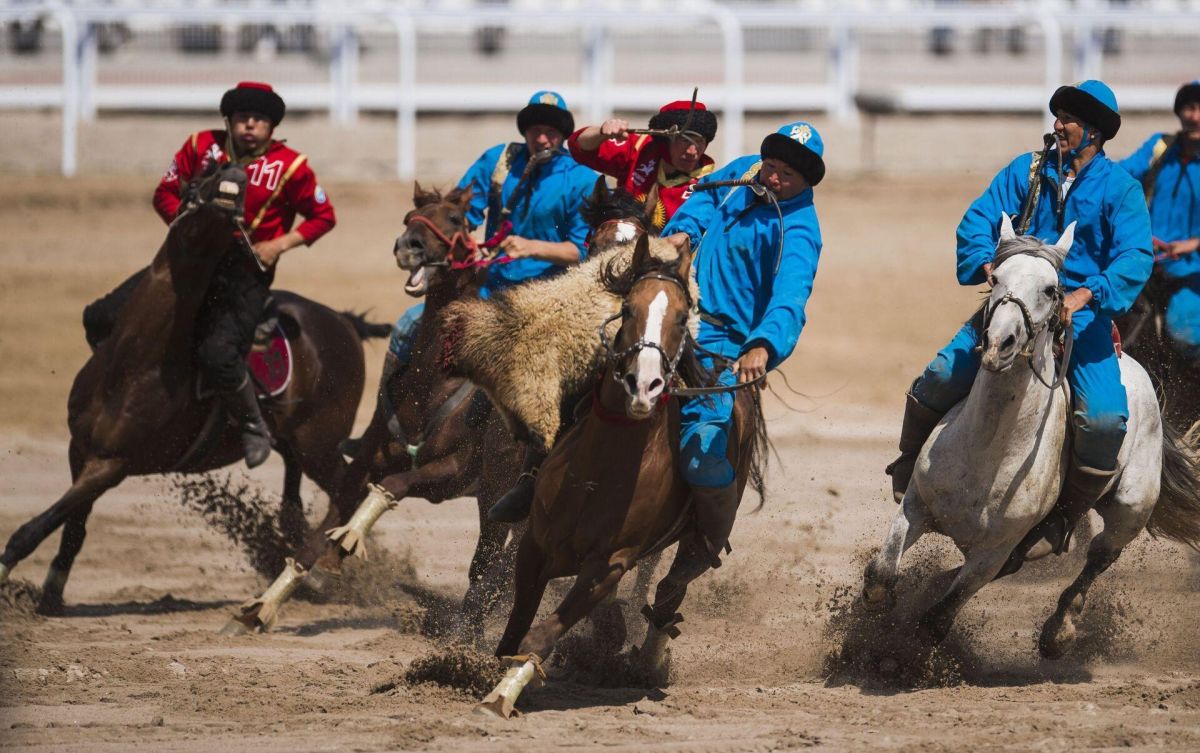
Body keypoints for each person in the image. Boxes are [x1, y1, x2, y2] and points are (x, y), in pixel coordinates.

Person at [886, 80, 1153, 572]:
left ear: (1094, 131)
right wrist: (987, 265)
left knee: (1104, 420)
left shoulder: (1121, 189)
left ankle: (1062, 518)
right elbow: (978, 220)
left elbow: (1135, 255)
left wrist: (1085, 293)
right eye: (1058, 115)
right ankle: (907, 465)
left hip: (1081, 321)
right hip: (1012, 307)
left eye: (1069, 118)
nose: (1058, 125)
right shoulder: (1024, 171)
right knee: (942, 374)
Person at [82, 81, 336, 468]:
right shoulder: (200, 146)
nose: (249, 125)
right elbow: (164, 193)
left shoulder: (292, 167)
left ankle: (252, 425)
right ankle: (118, 390)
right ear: (229, 121)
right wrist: (183, 228)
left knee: (218, 353)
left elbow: (324, 217)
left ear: (271, 126)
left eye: (258, 120)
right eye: (241, 119)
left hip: (244, 276)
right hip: (186, 265)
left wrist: (278, 245)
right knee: (100, 316)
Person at [368, 91, 596, 451]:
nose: (541, 138)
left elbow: (580, 250)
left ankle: (550, 451)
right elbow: (462, 214)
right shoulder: (499, 160)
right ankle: (380, 430)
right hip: (485, 290)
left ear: (563, 135)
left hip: (542, 302)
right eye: (535, 129)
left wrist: (531, 246)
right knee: (409, 326)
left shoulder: (581, 180)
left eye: (550, 131)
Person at [1118, 80, 1200, 361]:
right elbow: (1120, 177)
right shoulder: (1160, 147)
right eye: (1190, 108)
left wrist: (1193, 244)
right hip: (1147, 263)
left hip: (1193, 271)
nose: (1196, 116)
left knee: (1185, 334)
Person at [566, 99, 718, 230]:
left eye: (700, 141)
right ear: (665, 142)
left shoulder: (708, 185)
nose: (693, 151)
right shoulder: (639, 149)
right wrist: (601, 132)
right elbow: (579, 147)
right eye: (685, 140)